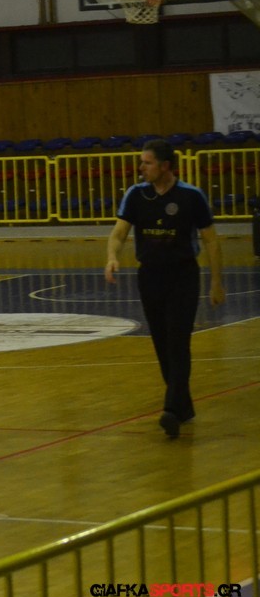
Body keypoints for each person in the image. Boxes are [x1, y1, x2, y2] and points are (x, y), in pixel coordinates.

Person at [105, 139, 225, 439]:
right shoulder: (136, 194)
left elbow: (211, 240)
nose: (141, 168)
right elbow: (119, 233)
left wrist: (216, 282)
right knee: (161, 342)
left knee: (178, 341)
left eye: (147, 163)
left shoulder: (191, 196)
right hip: (150, 277)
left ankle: (171, 409)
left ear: (165, 166)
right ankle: (184, 407)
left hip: (183, 276)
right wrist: (112, 257)